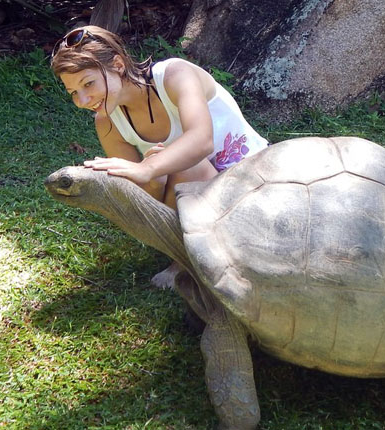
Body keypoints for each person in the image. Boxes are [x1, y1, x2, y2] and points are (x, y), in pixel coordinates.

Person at [50, 25, 268, 286]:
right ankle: (191, 255)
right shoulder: (107, 122)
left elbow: (201, 141)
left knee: (188, 164)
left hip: (257, 189)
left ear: (118, 64)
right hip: (201, 209)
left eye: (88, 83)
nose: (83, 99)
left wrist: (149, 167)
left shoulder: (175, 75)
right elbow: (144, 202)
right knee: (170, 172)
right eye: (73, 92)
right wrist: (154, 179)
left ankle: (185, 263)